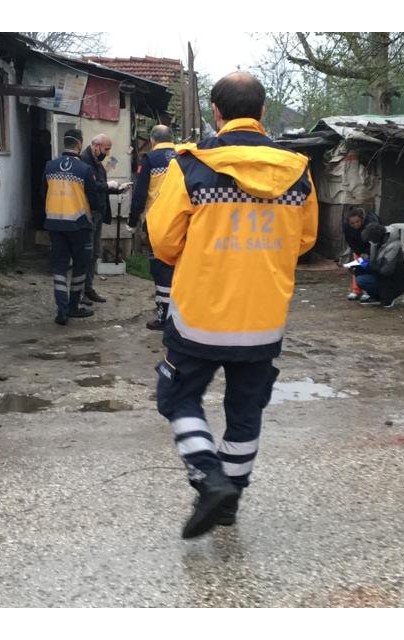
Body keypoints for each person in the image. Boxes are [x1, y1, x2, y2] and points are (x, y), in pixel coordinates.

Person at [147, 71, 318, 539]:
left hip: (199, 317)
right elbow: (305, 240)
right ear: (263, 112)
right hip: (263, 319)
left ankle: (209, 478)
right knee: (246, 411)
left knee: (178, 397)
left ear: (216, 114)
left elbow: (162, 241)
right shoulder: (298, 170)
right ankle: (230, 501)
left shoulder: (192, 165)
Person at [43, 129, 100, 325]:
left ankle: (62, 309)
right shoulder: (85, 170)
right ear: (79, 144)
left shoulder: (49, 166)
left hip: (54, 223)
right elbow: (94, 199)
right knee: (79, 266)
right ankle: (74, 306)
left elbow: (44, 192)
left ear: (64, 143)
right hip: (79, 224)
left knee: (59, 267)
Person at [127, 125, 180, 331]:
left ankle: (163, 316)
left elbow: (140, 194)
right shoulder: (184, 156)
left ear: (152, 140)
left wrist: (132, 221)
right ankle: (180, 314)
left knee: (160, 268)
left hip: (158, 222)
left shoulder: (150, 159)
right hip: (184, 220)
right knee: (181, 267)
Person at [80, 134, 131, 304]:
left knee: (94, 253)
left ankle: (88, 288)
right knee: (86, 253)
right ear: (96, 146)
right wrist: (107, 186)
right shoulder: (85, 161)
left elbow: (101, 185)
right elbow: (90, 186)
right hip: (89, 212)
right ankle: (80, 291)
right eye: (106, 149)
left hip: (98, 212)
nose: (108, 153)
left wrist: (117, 189)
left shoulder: (96, 162)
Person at [351, 223, 404, 308]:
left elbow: (386, 271)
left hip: (395, 280)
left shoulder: (394, 246)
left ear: (376, 238)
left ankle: (388, 297)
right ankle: (377, 297)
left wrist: (367, 266)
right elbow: (374, 262)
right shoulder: (376, 242)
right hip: (382, 275)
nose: (370, 242)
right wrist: (361, 264)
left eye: (371, 240)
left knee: (363, 279)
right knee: (359, 274)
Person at [342, 206, 379, 301]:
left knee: (370, 268)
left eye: (357, 222)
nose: (355, 225)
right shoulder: (347, 226)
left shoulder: (371, 222)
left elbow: (375, 239)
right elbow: (350, 240)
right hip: (358, 248)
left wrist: (367, 253)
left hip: (372, 247)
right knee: (357, 267)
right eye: (352, 223)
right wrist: (359, 253)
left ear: (362, 219)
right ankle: (356, 290)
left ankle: (368, 291)